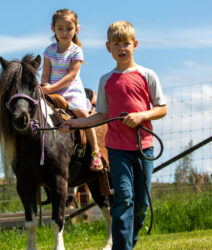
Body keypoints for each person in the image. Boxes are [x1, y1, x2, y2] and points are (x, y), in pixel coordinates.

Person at [60, 20, 167, 249]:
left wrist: (141, 116)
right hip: (117, 150)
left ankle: (129, 243)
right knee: (124, 199)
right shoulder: (106, 80)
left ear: (135, 44)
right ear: (108, 47)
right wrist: (74, 123)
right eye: (116, 44)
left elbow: (162, 108)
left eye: (126, 43)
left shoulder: (147, 75)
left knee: (141, 204)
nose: (122, 48)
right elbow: (100, 115)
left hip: (144, 146)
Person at [41, 9, 103, 171]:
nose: (64, 32)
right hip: (51, 91)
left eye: (68, 28)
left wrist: (51, 88)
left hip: (71, 91)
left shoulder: (76, 51)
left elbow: (71, 75)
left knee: (83, 115)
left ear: (76, 29)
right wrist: (43, 86)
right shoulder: (49, 50)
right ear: (53, 28)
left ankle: (95, 151)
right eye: (60, 28)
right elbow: (46, 72)